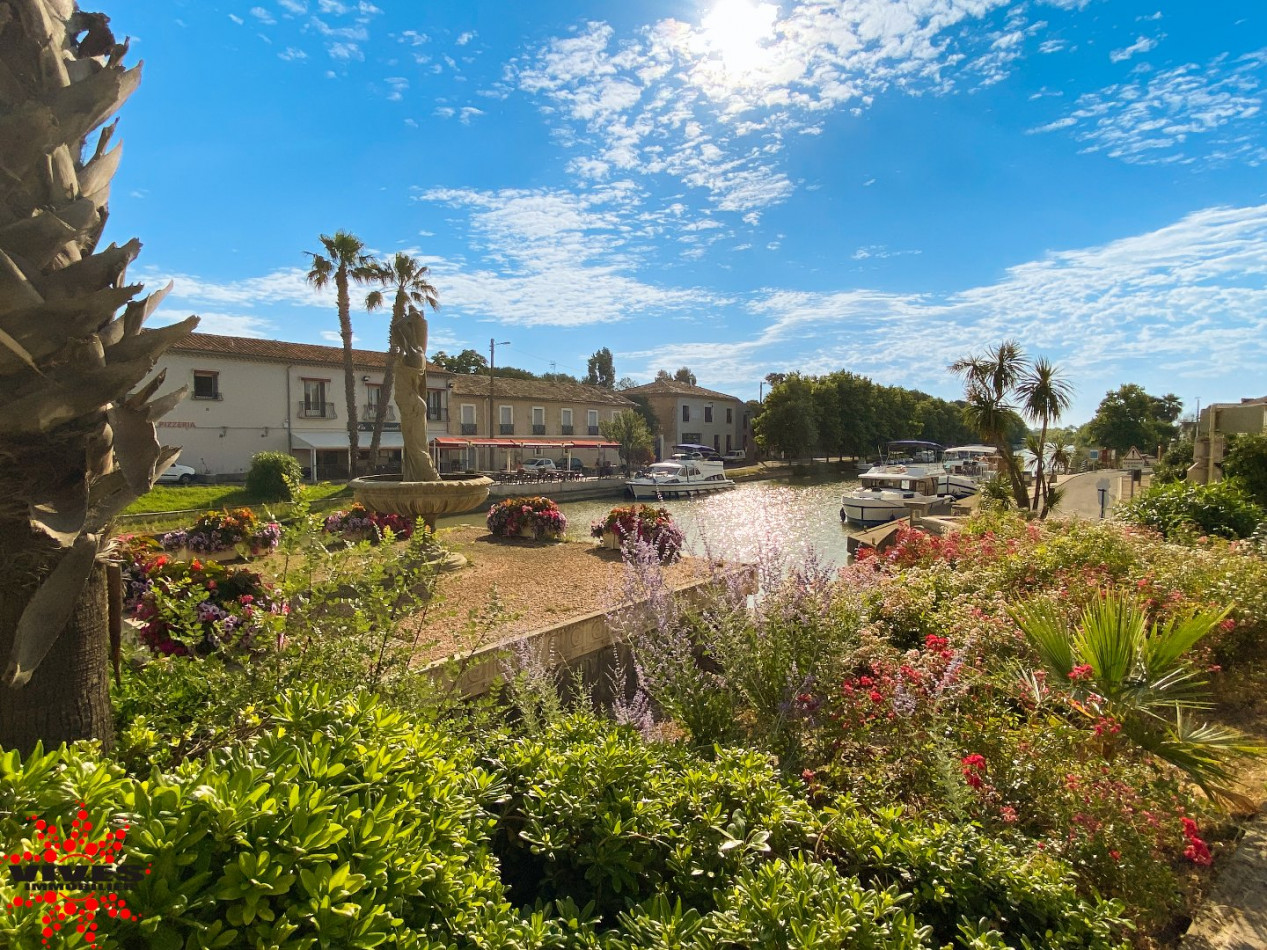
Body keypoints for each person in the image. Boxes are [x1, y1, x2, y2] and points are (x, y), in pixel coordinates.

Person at [391, 306, 440, 482]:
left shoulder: (414, 355)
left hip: (411, 405)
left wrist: (410, 318)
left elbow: (396, 328)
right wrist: (413, 320)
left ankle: (432, 480)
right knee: (416, 445)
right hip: (413, 404)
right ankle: (414, 477)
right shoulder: (417, 355)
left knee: (415, 446)